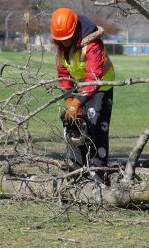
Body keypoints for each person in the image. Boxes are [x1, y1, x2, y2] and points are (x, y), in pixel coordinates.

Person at [51, 7, 115, 184]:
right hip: (80, 87)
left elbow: (94, 77)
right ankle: (77, 167)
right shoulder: (61, 48)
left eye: (67, 39)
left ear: (75, 30)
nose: (64, 43)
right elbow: (63, 74)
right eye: (60, 40)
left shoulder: (92, 44)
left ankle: (97, 171)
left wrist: (77, 102)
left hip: (100, 87)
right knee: (74, 124)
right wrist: (69, 99)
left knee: (95, 125)